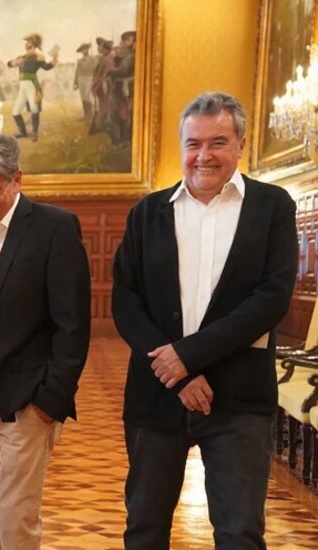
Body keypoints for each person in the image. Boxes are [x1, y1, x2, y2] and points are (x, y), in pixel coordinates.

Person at [112, 91, 297, 550]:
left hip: (239, 401)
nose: (204, 155)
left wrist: (187, 357)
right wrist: (177, 375)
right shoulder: (147, 213)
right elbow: (125, 302)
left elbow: (270, 300)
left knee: (240, 534)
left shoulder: (272, 206)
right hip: (156, 397)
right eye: (193, 143)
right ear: (182, 147)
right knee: (144, 530)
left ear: (241, 145)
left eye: (218, 142)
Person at [0, 133, 91, 550]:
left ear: (17, 179)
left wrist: (51, 401)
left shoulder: (54, 228)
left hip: (27, 401)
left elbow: (73, 324)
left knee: (16, 517)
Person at [7, 33, 57, 142]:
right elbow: (9, 64)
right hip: (22, 87)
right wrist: (14, 62)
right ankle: (22, 132)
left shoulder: (38, 57)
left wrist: (54, 61)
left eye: (29, 43)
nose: (27, 45)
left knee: (34, 109)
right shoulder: (22, 57)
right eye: (27, 44)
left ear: (34, 45)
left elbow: (47, 67)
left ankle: (34, 133)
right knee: (15, 111)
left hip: (31, 85)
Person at [73, 43, 98, 122]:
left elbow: (95, 70)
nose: (84, 51)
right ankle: (86, 116)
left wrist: (95, 79)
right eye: (82, 50)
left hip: (89, 78)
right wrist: (75, 82)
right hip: (81, 79)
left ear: (88, 49)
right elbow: (77, 71)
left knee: (87, 98)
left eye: (85, 49)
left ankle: (90, 117)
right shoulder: (79, 60)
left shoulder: (92, 59)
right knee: (83, 98)